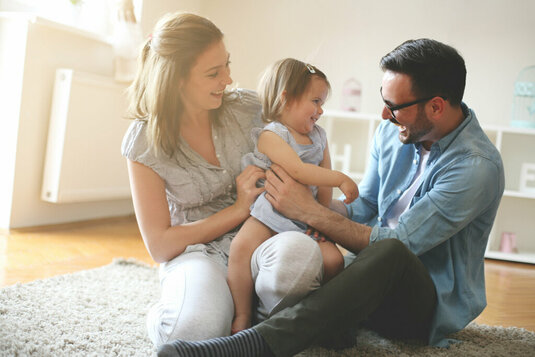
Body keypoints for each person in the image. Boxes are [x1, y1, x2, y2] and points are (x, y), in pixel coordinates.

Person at [157, 38, 505, 357]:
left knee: (390, 251)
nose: (384, 115)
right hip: (367, 277)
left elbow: (401, 243)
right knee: (302, 261)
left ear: (437, 107)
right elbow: (365, 206)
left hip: (423, 305)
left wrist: (310, 212)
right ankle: (253, 320)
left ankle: (254, 345)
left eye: (393, 106)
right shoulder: (392, 132)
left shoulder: (475, 167)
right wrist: (304, 207)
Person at [121, 12, 328, 348]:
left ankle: (245, 311)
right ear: (175, 80)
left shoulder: (249, 108)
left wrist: (317, 210)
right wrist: (238, 208)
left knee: (302, 258)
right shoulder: (144, 141)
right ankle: (206, 307)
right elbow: (160, 245)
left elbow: (309, 141)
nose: (229, 79)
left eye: (227, 65)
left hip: (264, 235)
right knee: (191, 334)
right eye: (213, 73)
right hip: (197, 253)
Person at [228, 58, 358, 334]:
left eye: (322, 103)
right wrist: (342, 178)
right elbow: (298, 171)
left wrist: (322, 220)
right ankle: (242, 314)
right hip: (270, 211)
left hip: (305, 217)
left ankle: (326, 317)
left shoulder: (320, 137)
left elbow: (323, 186)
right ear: (286, 99)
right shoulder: (272, 134)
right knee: (240, 248)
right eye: (315, 101)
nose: (321, 110)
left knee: (335, 261)